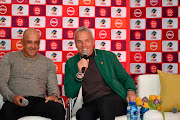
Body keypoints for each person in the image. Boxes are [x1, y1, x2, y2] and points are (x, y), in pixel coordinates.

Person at [64, 26, 137, 120]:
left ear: (93, 41)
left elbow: (125, 78)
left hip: (114, 100)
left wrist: (130, 91)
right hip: (92, 103)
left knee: (105, 104)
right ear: (75, 44)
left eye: (87, 40)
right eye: (79, 41)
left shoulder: (108, 56)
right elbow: (70, 93)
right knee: (82, 114)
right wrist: (80, 74)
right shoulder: (71, 63)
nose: (83, 45)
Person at [0, 28, 65, 120]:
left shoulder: (48, 62)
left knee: (58, 109)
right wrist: (12, 97)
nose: (33, 46)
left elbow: (53, 87)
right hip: (15, 101)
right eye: (29, 42)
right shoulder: (9, 58)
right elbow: (1, 83)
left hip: (39, 102)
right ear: (22, 42)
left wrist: (54, 95)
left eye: (36, 42)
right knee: (6, 111)